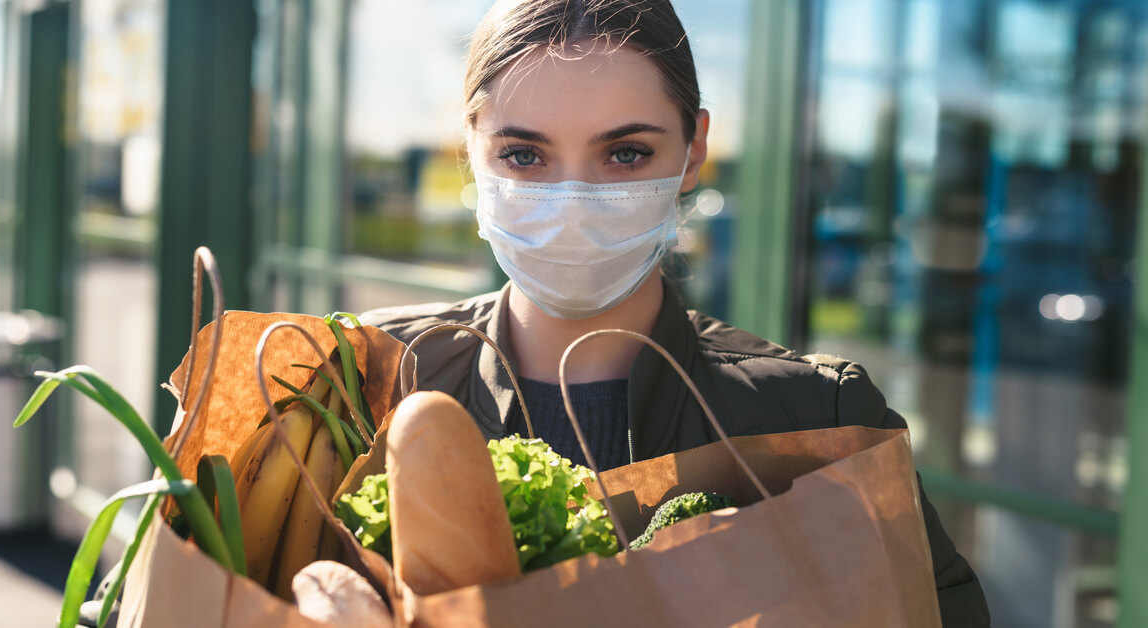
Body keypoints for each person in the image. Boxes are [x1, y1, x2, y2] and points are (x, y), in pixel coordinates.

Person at [359, 0, 990, 624]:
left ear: (693, 153)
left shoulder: (818, 420)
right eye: (524, 155)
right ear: (469, 149)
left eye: (626, 153)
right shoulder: (359, 380)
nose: (573, 203)